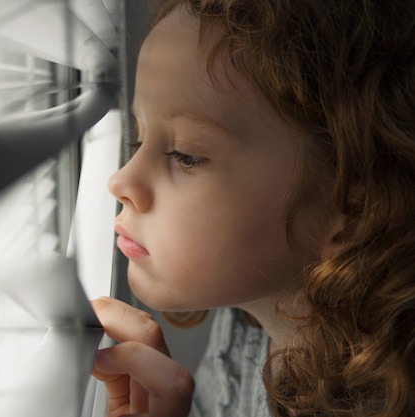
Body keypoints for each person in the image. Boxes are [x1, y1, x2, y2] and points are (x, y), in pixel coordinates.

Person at [90, 0, 415, 416]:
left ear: (351, 214)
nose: (120, 181)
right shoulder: (247, 329)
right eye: (139, 139)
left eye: (185, 155)